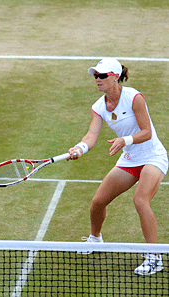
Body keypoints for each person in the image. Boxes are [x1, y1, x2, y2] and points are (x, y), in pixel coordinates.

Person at [68, 58, 167, 275]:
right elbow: (92, 135)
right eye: (95, 75)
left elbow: (147, 132)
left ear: (114, 76)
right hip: (130, 159)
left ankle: (155, 257)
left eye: (102, 75)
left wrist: (125, 140)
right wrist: (79, 148)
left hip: (152, 157)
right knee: (98, 202)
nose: (98, 79)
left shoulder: (134, 97)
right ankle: (95, 239)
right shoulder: (98, 106)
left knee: (140, 200)